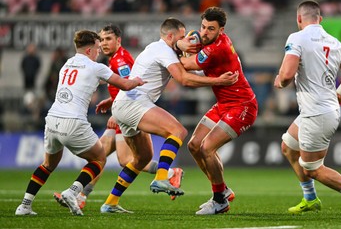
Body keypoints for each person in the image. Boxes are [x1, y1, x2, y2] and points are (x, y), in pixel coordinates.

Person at [97, 17, 238, 213]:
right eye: (182, 37)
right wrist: (218, 81)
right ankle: (162, 177)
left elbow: (187, 73)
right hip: (134, 104)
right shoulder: (163, 50)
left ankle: (110, 203)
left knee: (142, 158)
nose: (186, 40)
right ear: (171, 36)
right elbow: (184, 80)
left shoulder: (159, 49)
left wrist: (113, 101)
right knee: (178, 131)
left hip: (124, 103)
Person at [52, 25, 184, 211]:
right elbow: (123, 86)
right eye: (102, 40)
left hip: (125, 112)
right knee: (105, 155)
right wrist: (110, 100)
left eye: (108, 39)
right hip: (121, 110)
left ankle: (169, 172)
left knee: (120, 158)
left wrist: (115, 111)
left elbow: (129, 86)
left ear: (118, 41)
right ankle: (81, 195)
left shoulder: (121, 60)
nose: (104, 43)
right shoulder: (113, 59)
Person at [15, 30, 145, 216]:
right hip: (74, 122)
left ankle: (24, 205)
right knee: (99, 159)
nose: (99, 52)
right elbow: (125, 84)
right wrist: (139, 80)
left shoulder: (66, 64)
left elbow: (83, 83)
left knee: (47, 165)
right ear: (90, 49)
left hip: (52, 120)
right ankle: (73, 192)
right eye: (98, 48)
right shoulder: (95, 67)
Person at [273, 0, 341, 219]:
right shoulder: (334, 42)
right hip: (320, 110)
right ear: (320, 19)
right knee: (288, 147)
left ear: (299, 19)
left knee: (312, 169)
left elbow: (287, 76)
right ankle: (310, 199)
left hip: (316, 114)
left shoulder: (296, 38)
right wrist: (340, 92)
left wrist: (279, 81)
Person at [179, 6, 258, 215]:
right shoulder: (211, 43)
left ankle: (219, 200)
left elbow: (186, 65)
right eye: (203, 27)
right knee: (194, 145)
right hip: (224, 104)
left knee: (207, 148)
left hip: (243, 106)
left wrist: (178, 46)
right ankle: (222, 191)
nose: (204, 32)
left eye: (211, 29)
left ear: (221, 30)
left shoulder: (217, 49)